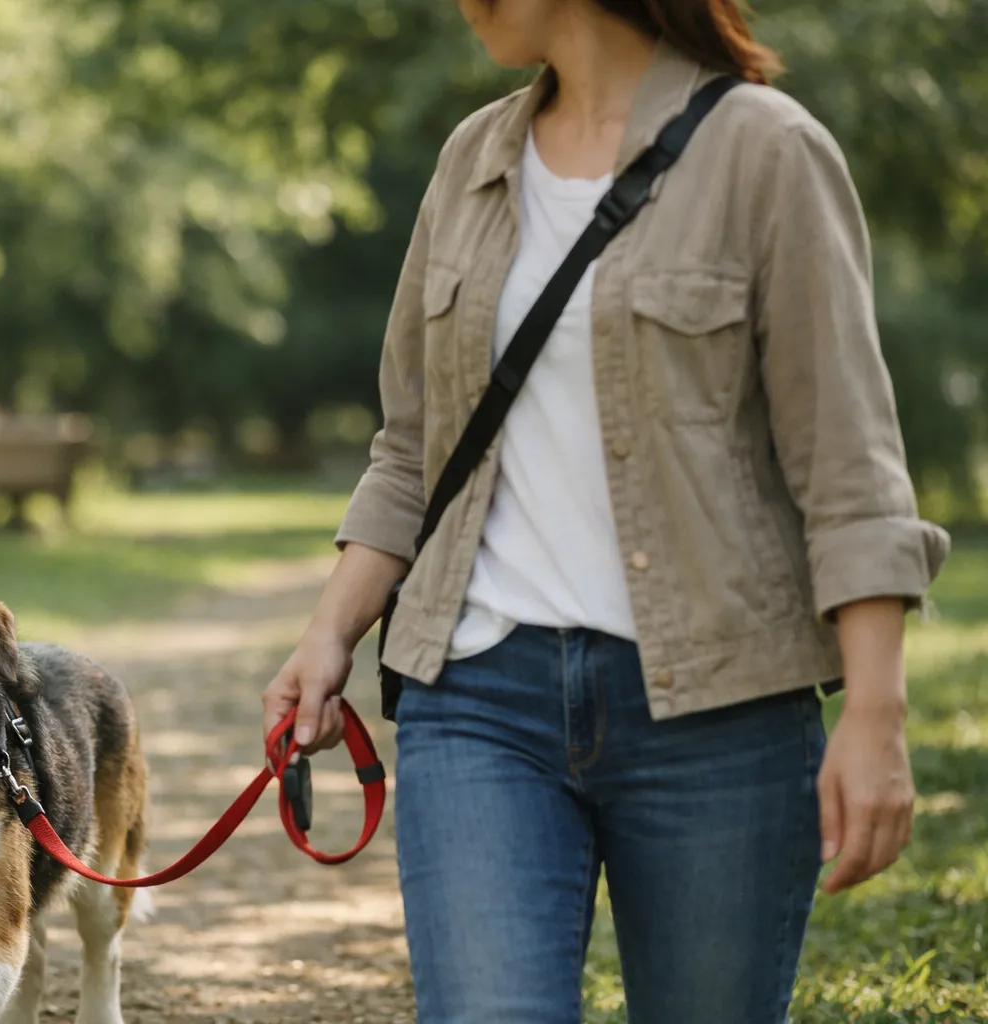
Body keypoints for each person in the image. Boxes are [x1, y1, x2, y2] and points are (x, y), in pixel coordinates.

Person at [261, 1, 951, 1021]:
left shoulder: (768, 153)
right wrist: (330, 632)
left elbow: (850, 465)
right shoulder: (473, 161)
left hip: (719, 710)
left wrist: (877, 716)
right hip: (481, 695)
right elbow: (413, 448)